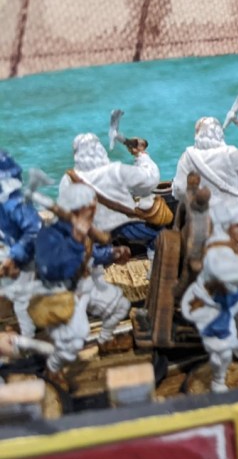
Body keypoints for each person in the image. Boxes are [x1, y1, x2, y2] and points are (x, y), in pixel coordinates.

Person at [33, 183, 131, 375]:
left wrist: (112, 254)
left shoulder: (84, 230)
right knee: (76, 339)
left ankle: (103, 342)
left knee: (121, 306)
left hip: (86, 287)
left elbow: (93, 254)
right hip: (64, 294)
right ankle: (52, 369)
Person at [180, 199, 238, 393]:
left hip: (232, 299)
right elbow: (226, 273)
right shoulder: (215, 251)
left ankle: (236, 342)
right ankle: (218, 381)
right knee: (222, 349)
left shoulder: (233, 244)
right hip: (211, 306)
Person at [59, 132, 163, 257]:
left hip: (91, 232)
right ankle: (153, 258)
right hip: (123, 226)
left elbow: (64, 212)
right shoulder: (114, 171)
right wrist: (141, 155)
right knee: (161, 236)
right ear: (100, 150)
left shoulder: (68, 179)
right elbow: (150, 179)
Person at [172, 116, 238, 240]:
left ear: (197, 134)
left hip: (201, 215)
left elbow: (179, 190)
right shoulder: (230, 153)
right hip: (233, 213)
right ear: (219, 133)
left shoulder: (187, 156)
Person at [0, 150, 43, 337]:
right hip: (13, 252)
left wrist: (13, 257)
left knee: (21, 304)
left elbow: (35, 230)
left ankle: (29, 339)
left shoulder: (15, 204)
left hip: (27, 257)